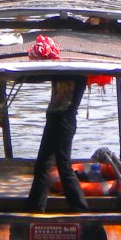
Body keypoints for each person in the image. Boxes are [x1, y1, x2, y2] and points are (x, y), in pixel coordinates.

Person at [27, 77, 90, 212]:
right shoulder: (58, 72)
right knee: (42, 165)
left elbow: (49, 75)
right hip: (53, 118)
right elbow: (45, 75)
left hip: (64, 120)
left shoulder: (78, 74)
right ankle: (35, 207)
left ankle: (81, 208)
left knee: (64, 166)